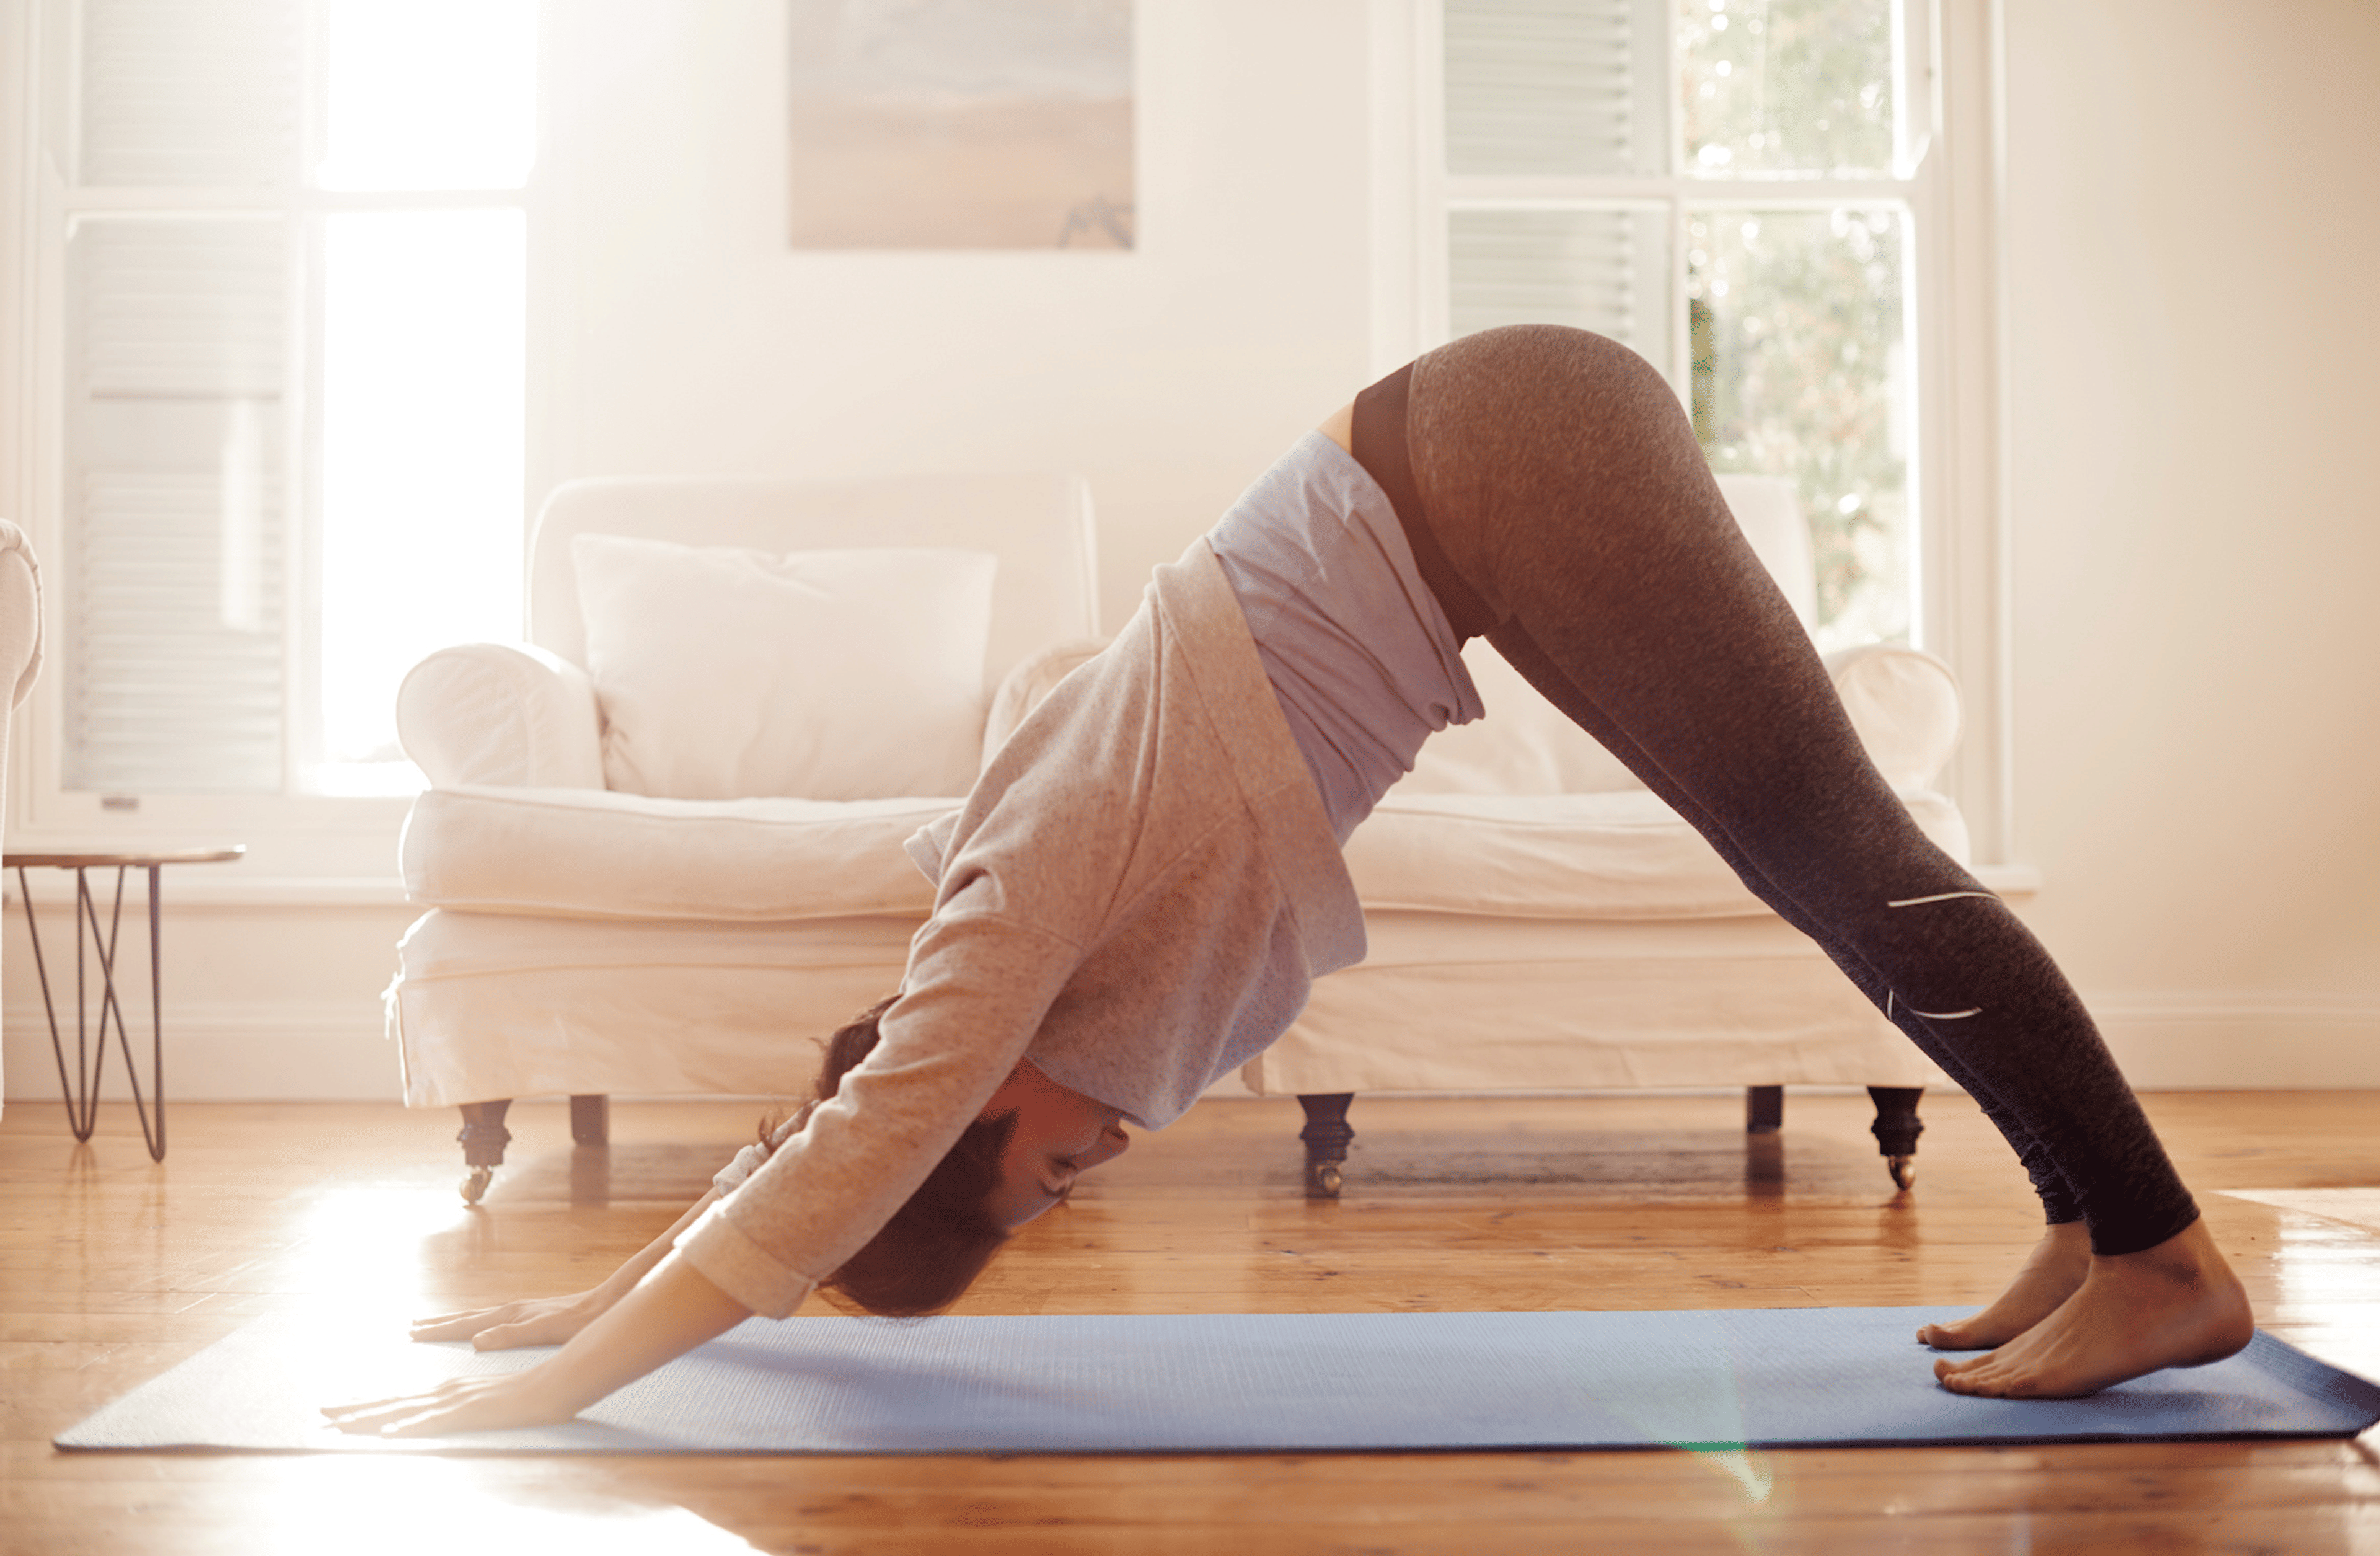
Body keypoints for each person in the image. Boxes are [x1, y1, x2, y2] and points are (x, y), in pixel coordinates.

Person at [324, 325, 2250, 1438]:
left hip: (1497, 458)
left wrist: (552, 1392)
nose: (1105, 1153)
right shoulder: (1003, 897)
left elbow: (850, 1147)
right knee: (1810, 863)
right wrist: (587, 1292)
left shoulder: (1011, 924)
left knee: (1848, 854)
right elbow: (817, 1151)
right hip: (1474, 482)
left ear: (978, 1099)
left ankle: (2163, 1254)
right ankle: (2094, 1237)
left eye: (1050, 1164)